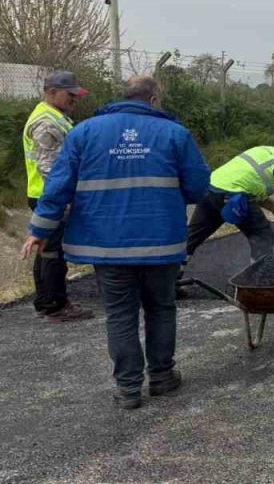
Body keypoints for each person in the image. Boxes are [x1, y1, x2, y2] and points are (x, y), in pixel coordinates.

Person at [21, 76, 210, 409]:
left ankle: (128, 390)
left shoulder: (84, 132)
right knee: (161, 308)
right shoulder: (175, 134)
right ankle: (163, 377)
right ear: (152, 100)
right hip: (161, 242)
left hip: (106, 245)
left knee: (120, 315)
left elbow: (58, 186)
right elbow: (197, 187)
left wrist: (39, 229)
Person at [22, 71, 94, 322]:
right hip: (50, 196)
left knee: (47, 249)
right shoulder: (47, 123)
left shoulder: (56, 116)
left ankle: (46, 301)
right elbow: (50, 168)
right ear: (52, 92)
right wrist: (67, 197)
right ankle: (55, 305)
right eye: (70, 94)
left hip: (46, 195)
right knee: (53, 252)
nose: (75, 99)